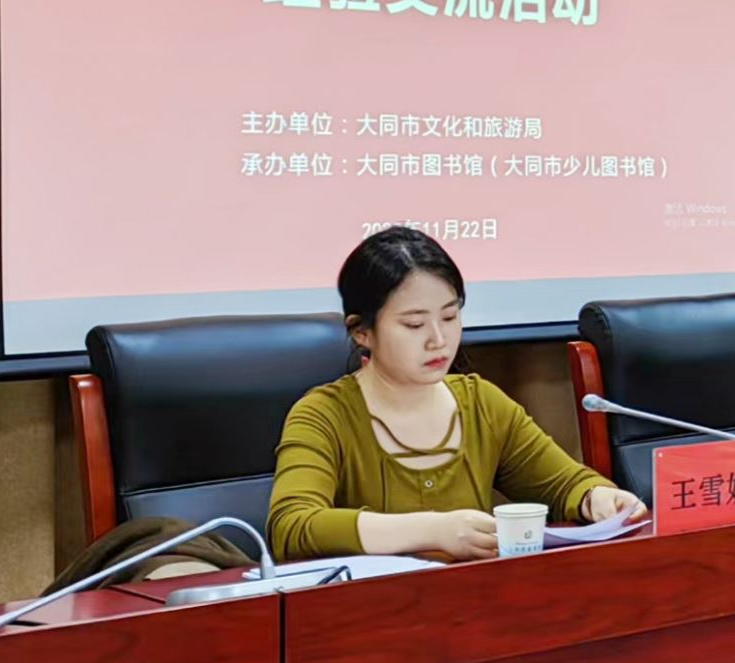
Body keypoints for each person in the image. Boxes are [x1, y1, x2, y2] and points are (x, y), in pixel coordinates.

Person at [269, 227, 645, 561]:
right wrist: (434, 530)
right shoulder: (322, 415)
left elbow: (562, 484)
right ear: (362, 332)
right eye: (414, 324)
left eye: (449, 317)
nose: (439, 339)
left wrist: (595, 497)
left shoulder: (481, 403)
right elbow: (293, 527)